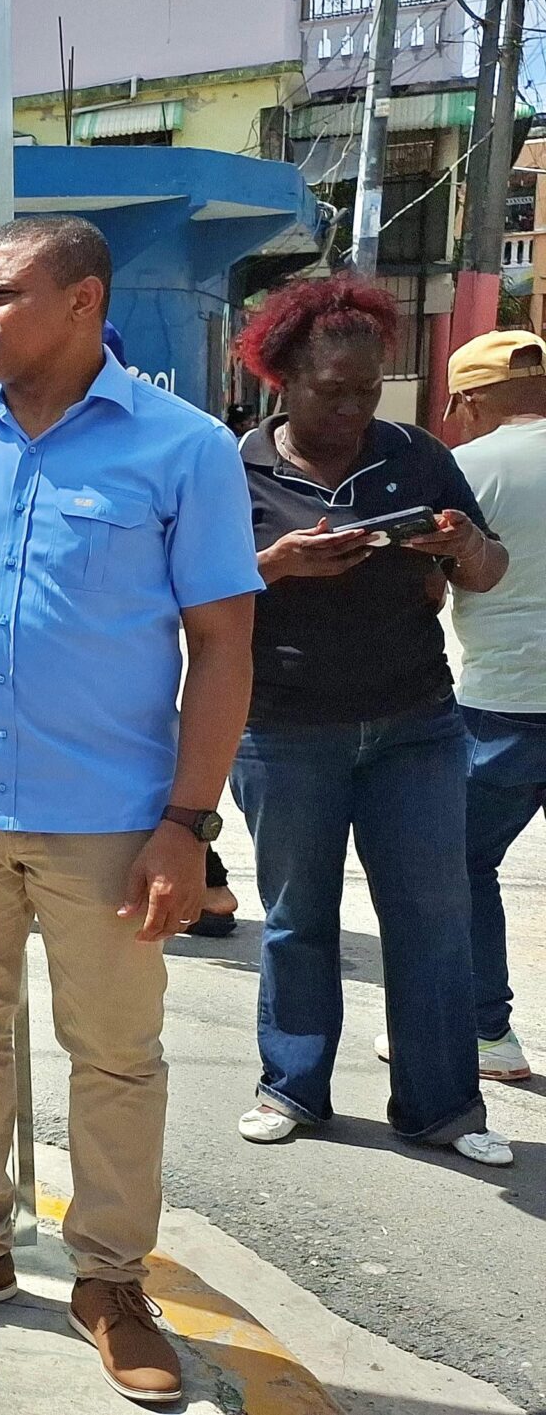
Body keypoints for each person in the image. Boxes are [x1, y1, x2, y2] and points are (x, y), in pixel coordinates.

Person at [0, 215, 261, 1406]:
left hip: (109, 822)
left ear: (82, 301)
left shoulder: (184, 449)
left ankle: (110, 1281)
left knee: (115, 1055)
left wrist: (186, 823)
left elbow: (220, 644)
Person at [224, 279, 513, 1167]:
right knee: (297, 915)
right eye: (332, 389)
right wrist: (279, 562)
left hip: (413, 722)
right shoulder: (234, 468)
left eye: (368, 389)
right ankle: (291, 1087)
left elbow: (488, 568)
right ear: (282, 379)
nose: (353, 407)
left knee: (432, 915)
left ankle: (443, 1107)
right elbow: (189, 590)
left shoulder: (416, 454)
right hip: (283, 727)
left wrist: (464, 546)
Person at [443, 330, 543, 1083]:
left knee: (464, 865)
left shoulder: (466, 469)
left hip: (502, 706)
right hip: (503, 703)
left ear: (471, 401)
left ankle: (488, 1036)